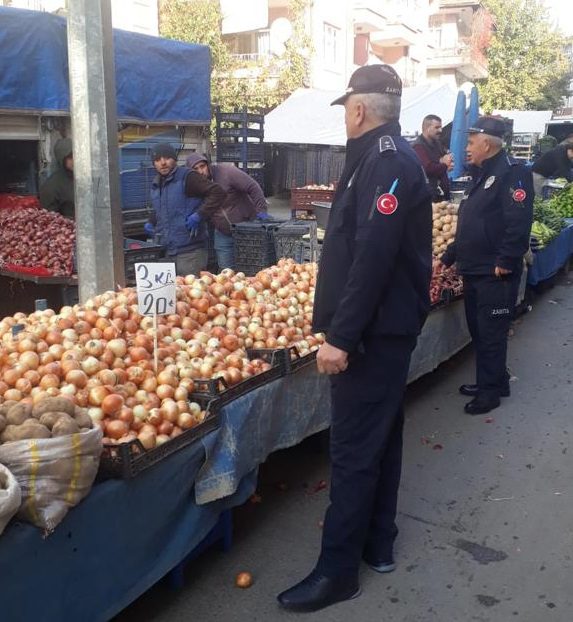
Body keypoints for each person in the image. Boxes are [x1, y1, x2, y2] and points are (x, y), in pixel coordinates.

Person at [277, 64, 432, 613]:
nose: (345, 117)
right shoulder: (382, 157)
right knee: (381, 439)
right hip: (385, 330)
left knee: (351, 452)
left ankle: (337, 571)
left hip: (372, 336)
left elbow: (373, 255)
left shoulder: (384, 162)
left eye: (345, 108)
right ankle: (379, 544)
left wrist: (340, 337)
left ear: (359, 109)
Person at [441, 116, 533, 415]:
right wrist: (450, 256)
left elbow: (518, 222)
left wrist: (506, 260)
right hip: (475, 268)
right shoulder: (482, 174)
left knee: (491, 332)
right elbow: (472, 224)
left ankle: (490, 392)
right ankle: (493, 380)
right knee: (480, 331)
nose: (466, 148)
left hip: (495, 272)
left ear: (486, 143)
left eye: (470, 142)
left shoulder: (512, 174)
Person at [145, 144, 226, 277]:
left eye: (167, 158)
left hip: (190, 252)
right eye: (158, 159)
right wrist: (150, 221)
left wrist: (199, 215)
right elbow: (162, 207)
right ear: (154, 164)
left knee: (192, 294)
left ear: (175, 159)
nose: (163, 162)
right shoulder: (156, 184)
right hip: (168, 251)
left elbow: (218, 193)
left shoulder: (188, 177)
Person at [185, 153, 269, 270]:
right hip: (222, 232)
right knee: (226, 271)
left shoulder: (227, 172)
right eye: (196, 169)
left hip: (247, 229)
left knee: (251, 266)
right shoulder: (196, 185)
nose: (201, 171)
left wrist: (261, 210)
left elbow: (253, 186)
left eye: (202, 166)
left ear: (208, 165)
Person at [412, 114, 453, 201]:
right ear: (427, 128)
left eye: (440, 127)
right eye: (437, 127)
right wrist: (444, 164)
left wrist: (446, 163)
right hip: (430, 196)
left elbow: (446, 158)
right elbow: (427, 168)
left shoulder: (437, 143)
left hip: (442, 194)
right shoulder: (418, 146)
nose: (440, 130)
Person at [39, 138, 75, 219]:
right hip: (69, 229)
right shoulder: (51, 186)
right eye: (70, 157)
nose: (75, 160)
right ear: (62, 159)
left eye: (77, 155)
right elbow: (50, 220)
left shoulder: (87, 179)